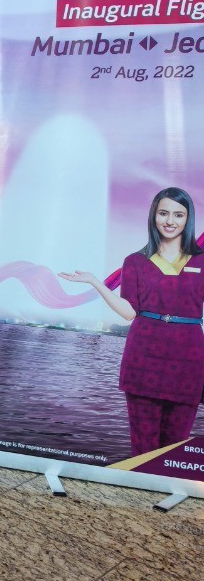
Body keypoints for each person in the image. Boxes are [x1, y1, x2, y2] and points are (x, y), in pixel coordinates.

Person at [60, 187, 204, 457]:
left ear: (188, 219)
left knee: (175, 448)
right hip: (143, 357)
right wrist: (95, 282)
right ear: (153, 216)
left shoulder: (201, 261)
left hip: (189, 359)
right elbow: (128, 312)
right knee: (143, 449)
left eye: (178, 214)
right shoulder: (135, 261)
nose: (170, 221)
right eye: (163, 213)